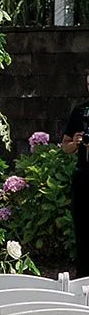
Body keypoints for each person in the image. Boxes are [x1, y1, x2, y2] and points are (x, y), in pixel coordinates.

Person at [60, 71, 89, 276]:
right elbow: (65, 146)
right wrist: (76, 143)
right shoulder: (80, 112)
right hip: (84, 176)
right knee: (83, 229)